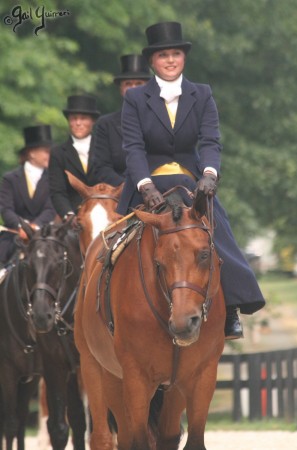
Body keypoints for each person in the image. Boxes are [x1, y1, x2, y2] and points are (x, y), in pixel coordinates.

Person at [117, 21, 266, 339]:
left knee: (219, 227)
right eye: (162, 56)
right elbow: (133, 148)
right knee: (110, 244)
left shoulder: (203, 94)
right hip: (148, 184)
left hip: (191, 180)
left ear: (183, 58)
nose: (169, 60)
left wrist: (210, 176)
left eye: (175, 54)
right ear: (152, 62)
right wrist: (145, 186)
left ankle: (231, 308)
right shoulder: (135, 100)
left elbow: (211, 141)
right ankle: (105, 307)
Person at [0, 124, 56, 281]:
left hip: (43, 235)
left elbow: (50, 209)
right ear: (32, 153)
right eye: (46, 151)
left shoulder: (53, 179)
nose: (50, 155)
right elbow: (6, 209)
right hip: (14, 237)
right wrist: (22, 227)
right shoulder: (10, 179)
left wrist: (33, 228)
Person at [92, 54, 151, 186]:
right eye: (128, 84)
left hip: (159, 190)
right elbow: (101, 168)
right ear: (121, 89)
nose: (133, 88)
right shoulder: (106, 124)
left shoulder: (162, 119)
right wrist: (127, 188)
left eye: (139, 83)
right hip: (119, 192)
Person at [48, 94, 100, 221]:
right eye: (74, 118)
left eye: (83, 118)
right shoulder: (58, 153)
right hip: (74, 215)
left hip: (103, 210)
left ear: (92, 121)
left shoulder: (103, 147)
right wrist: (68, 214)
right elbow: (57, 191)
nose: (78, 123)